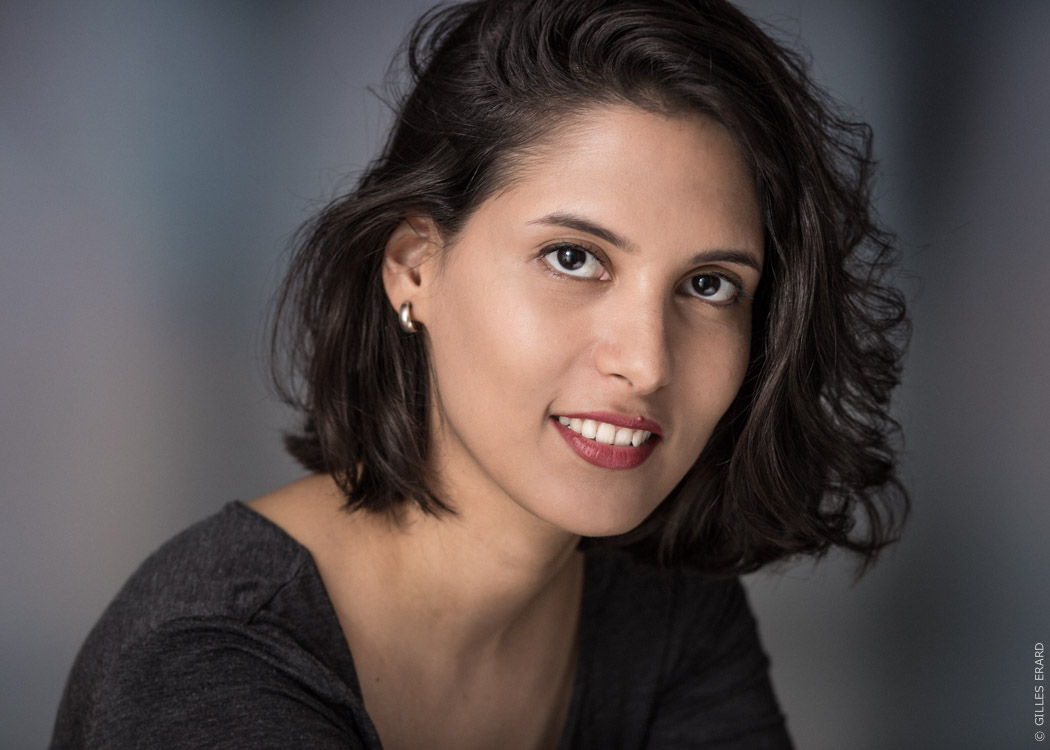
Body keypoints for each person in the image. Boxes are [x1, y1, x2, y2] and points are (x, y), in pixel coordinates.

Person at [50, 0, 909, 747]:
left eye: (710, 285)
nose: (647, 363)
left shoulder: (663, 609)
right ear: (414, 267)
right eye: (574, 258)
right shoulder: (209, 664)